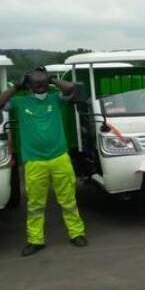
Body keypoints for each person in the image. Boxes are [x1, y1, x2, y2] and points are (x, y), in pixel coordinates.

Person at [0, 67, 87, 257]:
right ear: (29, 84)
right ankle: (35, 240)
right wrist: (16, 86)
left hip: (59, 158)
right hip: (34, 161)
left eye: (42, 82)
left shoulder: (56, 99)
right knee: (35, 205)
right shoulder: (19, 102)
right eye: (35, 82)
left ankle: (76, 233)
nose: (39, 86)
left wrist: (52, 80)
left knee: (68, 200)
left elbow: (73, 90)